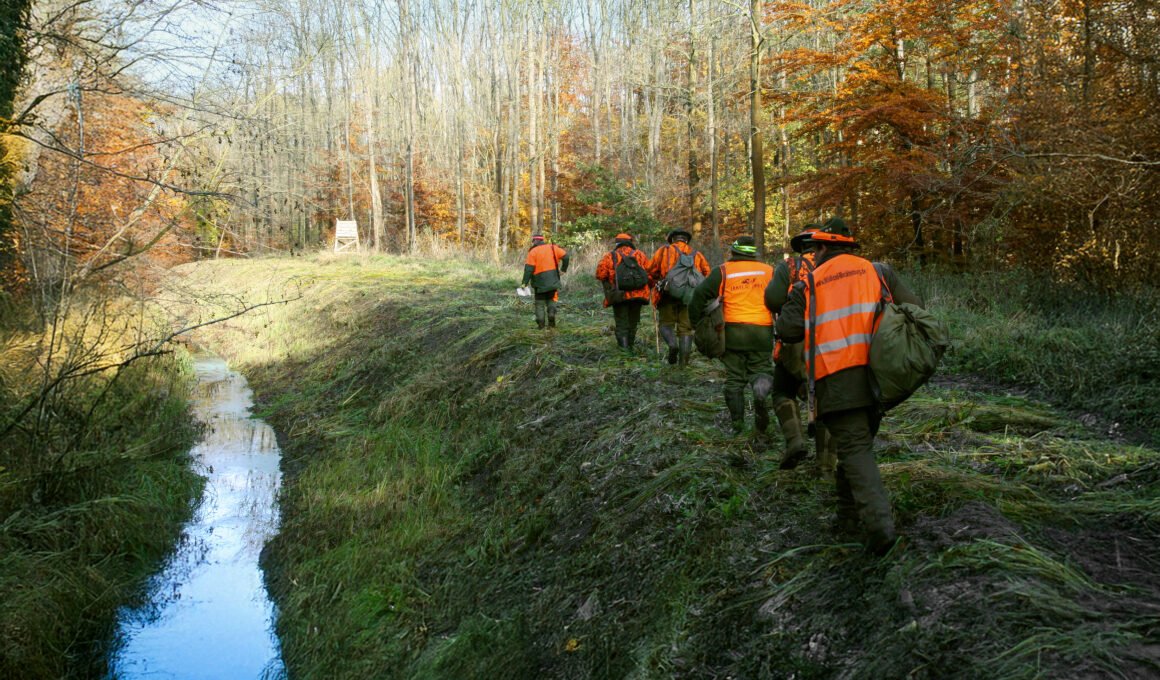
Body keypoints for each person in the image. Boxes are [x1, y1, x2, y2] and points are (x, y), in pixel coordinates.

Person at [775, 217, 923, 555]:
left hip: (837, 381)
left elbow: (788, 330)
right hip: (881, 378)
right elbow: (915, 310)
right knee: (854, 447)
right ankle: (845, 519)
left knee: (855, 450)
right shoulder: (879, 272)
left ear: (823, 248)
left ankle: (880, 530)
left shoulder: (809, 284)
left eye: (814, 249)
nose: (812, 255)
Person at [764, 224, 836, 478]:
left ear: (802, 245)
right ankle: (826, 467)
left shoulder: (791, 267)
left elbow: (772, 300)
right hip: (833, 340)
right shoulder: (837, 267)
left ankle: (795, 440)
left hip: (796, 341)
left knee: (783, 391)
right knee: (826, 401)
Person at [688, 235, 774, 437]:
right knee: (761, 370)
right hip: (762, 331)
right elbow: (782, 298)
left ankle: (738, 426)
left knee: (735, 379)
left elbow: (698, 297)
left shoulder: (723, 271)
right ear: (754, 253)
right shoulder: (769, 271)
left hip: (732, 333)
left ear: (733, 252)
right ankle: (761, 392)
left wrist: (696, 323)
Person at [648, 228, 711, 367]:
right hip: (689, 297)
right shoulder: (697, 254)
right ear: (686, 240)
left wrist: (653, 284)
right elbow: (707, 273)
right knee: (686, 329)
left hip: (667, 294)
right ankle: (683, 365)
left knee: (665, 324)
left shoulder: (664, 251)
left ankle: (672, 345)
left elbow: (651, 270)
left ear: (672, 239)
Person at [595, 233, 653, 351]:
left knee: (621, 323)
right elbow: (650, 274)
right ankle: (630, 346)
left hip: (619, 295)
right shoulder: (640, 255)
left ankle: (624, 350)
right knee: (633, 322)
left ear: (617, 243)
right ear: (630, 242)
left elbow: (600, 274)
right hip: (638, 295)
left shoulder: (610, 256)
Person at [522, 233, 569, 329]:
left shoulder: (533, 252)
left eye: (533, 241)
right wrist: (563, 269)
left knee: (539, 304)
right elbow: (566, 257)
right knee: (551, 300)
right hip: (553, 281)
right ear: (542, 240)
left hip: (539, 283)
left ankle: (541, 325)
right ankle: (551, 317)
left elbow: (529, 269)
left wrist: (524, 283)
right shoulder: (553, 248)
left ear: (535, 241)